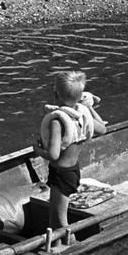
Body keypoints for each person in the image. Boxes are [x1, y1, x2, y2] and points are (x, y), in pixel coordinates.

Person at [35, 71, 107, 239]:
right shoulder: (83, 115)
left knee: (60, 220)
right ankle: (56, 245)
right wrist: (89, 108)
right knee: (54, 216)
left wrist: (37, 150)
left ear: (55, 95)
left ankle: (71, 246)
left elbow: (53, 154)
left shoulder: (57, 121)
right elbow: (102, 129)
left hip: (61, 174)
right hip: (73, 171)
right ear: (81, 96)